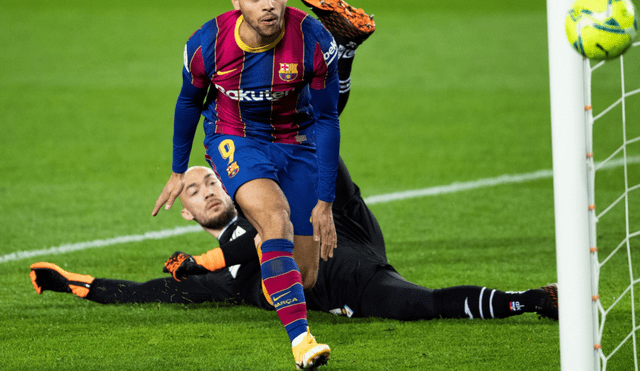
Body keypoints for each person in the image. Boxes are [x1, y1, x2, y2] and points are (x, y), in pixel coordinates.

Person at [150, 0, 375, 369]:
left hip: (296, 137)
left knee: (302, 279)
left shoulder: (310, 37)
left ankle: (347, 51)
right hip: (235, 137)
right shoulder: (208, 44)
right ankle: (302, 341)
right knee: (276, 221)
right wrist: (177, 169)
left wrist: (325, 201)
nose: (268, 4)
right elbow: (188, 103)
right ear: (237, 2)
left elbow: (327, 119)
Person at [30, 161, 558, 324]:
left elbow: (258, 239)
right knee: (420, 306)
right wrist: (72, 284)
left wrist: (198, 261)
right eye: (195, 189)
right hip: (350, 277)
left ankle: (337, 56)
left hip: (338, 229)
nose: (209, 189)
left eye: (213, 179)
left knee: (322, 165)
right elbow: (147, 292)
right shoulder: (222, 282)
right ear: (186, 211)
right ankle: (536, 300)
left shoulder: (262, 207)